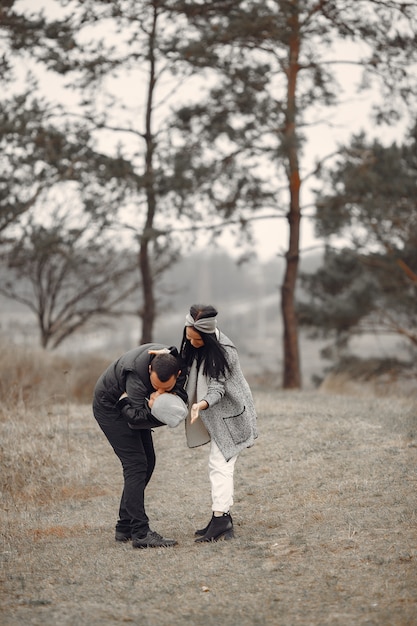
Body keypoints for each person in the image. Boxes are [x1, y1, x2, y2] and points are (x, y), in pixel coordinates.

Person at [92, 343, 187, 548]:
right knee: (135, 465)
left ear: (178, 373)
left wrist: (162, 403)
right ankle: (140, 532)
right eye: (156, 387)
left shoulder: (176, 365)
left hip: (135, 407)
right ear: (150, 369)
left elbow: (182, 401)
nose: (160, 392)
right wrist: (155, 408)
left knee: (149, 462)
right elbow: (135, 418)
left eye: (167, 388)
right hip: (112, 408)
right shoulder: (135, 375)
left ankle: (124, 526)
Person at [180, 304, 258, 542]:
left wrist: (200, 405)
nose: (192, 344)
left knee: (220, 466)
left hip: (232, 419)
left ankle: (221, 521)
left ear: (208, 336)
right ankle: (222, 517)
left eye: (197, 340)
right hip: (219, 419)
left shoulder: (225, 351)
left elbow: (218, 387)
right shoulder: (201, 346)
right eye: (189, 339)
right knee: (219, 466)